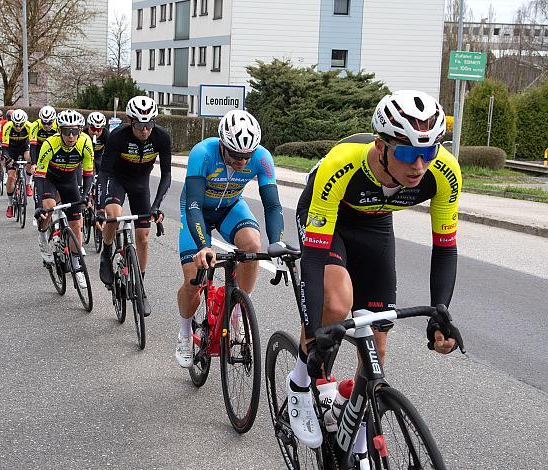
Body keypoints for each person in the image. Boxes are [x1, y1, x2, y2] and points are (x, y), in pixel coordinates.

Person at [287, 90, 462, 447]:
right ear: (382, 146)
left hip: (375, 225)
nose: (419, 165)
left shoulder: (444, 172)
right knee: (336, 305)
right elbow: (315, 258)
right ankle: (299, 383)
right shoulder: (344, 163)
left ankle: (350, 418)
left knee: (376, 345)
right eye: (408, 153)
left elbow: (445, 248)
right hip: (329, 220)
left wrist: (439, 314)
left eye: (428, 152)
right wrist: (313, 329)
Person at [174, 110, 284, 367]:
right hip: (197, 210)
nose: (242, 162)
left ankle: (237, 310)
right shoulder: (203, 153)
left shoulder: (263, 157)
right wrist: (204, 246)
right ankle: (184, 332)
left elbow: (272, 205)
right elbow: (193, 205)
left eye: (247, 156)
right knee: (193, 280)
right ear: (222, 145)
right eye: (235, 155)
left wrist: (277, 243)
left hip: (230, 208)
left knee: (252, 245)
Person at [96, 96, 172, 317]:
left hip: (141, 184)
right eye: (140, 125)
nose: (145, 131)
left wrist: (156, 206)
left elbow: (166, 174)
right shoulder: (118, 136)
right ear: (130, 121)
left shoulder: (162, 137)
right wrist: (100, 207)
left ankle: (140, 289)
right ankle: (107, 250)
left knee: (144, 237)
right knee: (114, 214)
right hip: (117, 179)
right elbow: (104, 173)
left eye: (149, 124)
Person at [34, 109, 94, 288]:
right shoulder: (49, 144)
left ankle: (77, 267)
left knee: (76, 223)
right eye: (66, 131)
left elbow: (89, 173)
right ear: (59, 130)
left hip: (69, 180)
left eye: (74, 131)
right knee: (49, 208)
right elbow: (39, 176)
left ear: (80, 131)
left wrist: (85, 196)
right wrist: (39, 206)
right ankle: (44, 238)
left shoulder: (85, 142)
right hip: (50, 179)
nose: (70, 135)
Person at [1, 109, 32, 218]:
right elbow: (4, 147)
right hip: (11, 149)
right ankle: (10, 205)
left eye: (21, 125)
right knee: (11, 176)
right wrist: (8, 158)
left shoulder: (29, 126)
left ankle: (28, 183)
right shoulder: (7, 126)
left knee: (29, 158)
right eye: (16, 125)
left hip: (24, 146)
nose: (18, 127)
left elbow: (33, 144)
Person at [29, 105, 58, 215]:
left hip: (52, 150)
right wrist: (33, 164)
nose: (46, 125)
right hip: (38, 148)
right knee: (38, 175)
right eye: (44, 122)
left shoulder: (57, 126)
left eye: (49, 123)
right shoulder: (35, 125)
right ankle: (38, 208)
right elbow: (32, 146)